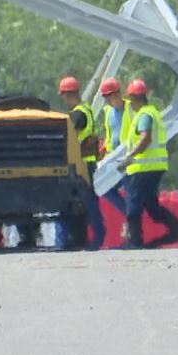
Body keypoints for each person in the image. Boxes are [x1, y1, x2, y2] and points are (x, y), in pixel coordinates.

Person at [119, 78, 178, 249]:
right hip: (155, 167)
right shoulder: (152, 112)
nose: (130, 105)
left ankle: (136, 243)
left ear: (135, 99)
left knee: (133, 207)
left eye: (131, 101)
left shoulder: (144, 115)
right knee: (151, 206)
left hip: (144, 168)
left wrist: (130, 157)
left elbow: (145, 138)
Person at [56, 76, 105, 250]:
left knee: (87, 201)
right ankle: (83, 239)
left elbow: (70, 136)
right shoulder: (86, 109)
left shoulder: (78, 114)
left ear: (68, 94)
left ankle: (98, 237)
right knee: (85, 201)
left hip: (81, 163)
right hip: (86, 162)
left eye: (64, 96)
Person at [97, 77, 130, 219]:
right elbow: (111, 134)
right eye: (108, 98)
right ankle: (129, 215)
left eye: (114, 96)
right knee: (104, 188)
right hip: (113, 158)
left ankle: (132, 220)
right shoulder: (108, 112)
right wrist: (104, 149)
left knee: (128, 187)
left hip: (128, 158)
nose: (112, 100)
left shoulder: (131, 108)